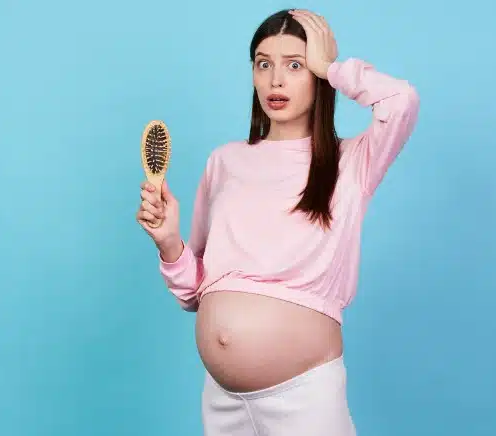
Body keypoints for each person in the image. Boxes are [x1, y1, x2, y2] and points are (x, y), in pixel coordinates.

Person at [136, 8, 419, 436]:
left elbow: (402, 101)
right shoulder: (225, 161)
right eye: (263, 64)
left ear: (317, 75)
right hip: (223, 401)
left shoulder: (351, 163)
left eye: (295, 65)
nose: (276, 80)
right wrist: (169, 244)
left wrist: (332, 68)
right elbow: (195, 293)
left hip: (305, 399)